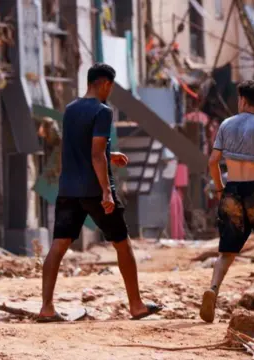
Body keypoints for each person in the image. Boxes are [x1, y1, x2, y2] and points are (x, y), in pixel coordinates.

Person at [38, 63, 161, 322]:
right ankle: (136, 305)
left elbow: (78, 148)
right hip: (94, 189)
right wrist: (106, 191)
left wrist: (109, 155)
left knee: (58, 246)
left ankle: (46, 307)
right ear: (105, 84)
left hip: (68, 189)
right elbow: (94, 154)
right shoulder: (103, 111)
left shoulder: (70, 109)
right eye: (111, 87)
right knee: (122, 243)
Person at [202, 80, 254, 322]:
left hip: (232, 191)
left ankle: (213, 288)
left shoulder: (227, 125)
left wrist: (219, 189)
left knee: (227, 250)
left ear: (243, 100)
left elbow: (213, 161)